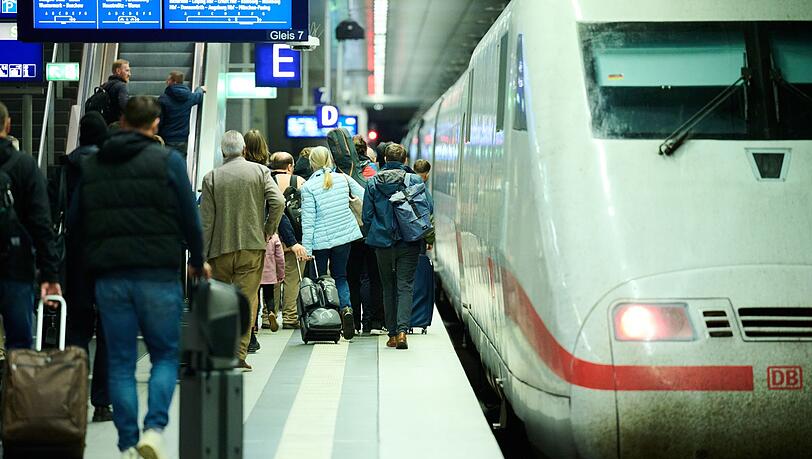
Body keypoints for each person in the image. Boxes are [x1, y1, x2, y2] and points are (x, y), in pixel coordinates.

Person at [73, 96, 208, 459]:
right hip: (158, 274)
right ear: (155, 124)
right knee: (164, 355)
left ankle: (128, 443)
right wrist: (197, 260)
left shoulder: (93, 164)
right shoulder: (168, 161)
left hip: (111, 277)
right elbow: (190, 218)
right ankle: (154, 429)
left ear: (122, 122)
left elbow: (76, 222)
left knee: (119, 363)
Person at [200, 130, 284, 371]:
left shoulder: (211, 177)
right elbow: (278, 202)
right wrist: (268, 229)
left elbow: (206, 221)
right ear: (244, 150)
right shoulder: (260, 172)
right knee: (246, 300)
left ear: (222, 152)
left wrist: (201, 255)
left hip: (219, 249)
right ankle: (239, 354)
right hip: (252, 247)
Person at [0, 101, 62, 353]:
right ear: (8, 125)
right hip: (15, 265)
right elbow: (41, 222)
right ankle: (16, 378)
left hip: (17, 266)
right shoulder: (24, 166)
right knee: (19, 346)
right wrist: (50, 274)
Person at [64, 111, 113, 423]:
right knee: (107, 330)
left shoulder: (67, 165)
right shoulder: (109, 165)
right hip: (107, 258)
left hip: (76, 257)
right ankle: (102, 403)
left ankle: (75, 397)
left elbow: (64, 214)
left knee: (77, 329)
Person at [362, 143, 431, 350]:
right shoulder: (414, 180)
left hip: (382, 243)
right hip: (409, 241)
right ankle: (402, 332)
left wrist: (378, 232)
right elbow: (428, 208)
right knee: (405, 286)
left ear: (384, 159)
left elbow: (366, 216)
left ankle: (392, 335)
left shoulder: (373, 182)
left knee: (387, 286)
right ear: (405, 161)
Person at [300, 146, 365, 340]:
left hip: (320, 241)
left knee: (319, 280)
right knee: (341, 276)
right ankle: (346, 309)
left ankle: (325, 318)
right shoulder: (343, 179)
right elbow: (364, 195)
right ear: (330, 160)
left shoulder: (308, 187)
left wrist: (307, 249)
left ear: (312, 163)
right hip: (344, 237)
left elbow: (308, 221)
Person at [347, 135, 384, 335]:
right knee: (373, 277)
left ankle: (354, 322)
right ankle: (373, 322)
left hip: (349, 232)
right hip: (373, 232)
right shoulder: (375, 171)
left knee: (352, 278)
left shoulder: (344, 172)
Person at [267, 151, 308, 329]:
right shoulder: (300, 181)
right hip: (295, 238)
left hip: (271, 236)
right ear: (290, 166)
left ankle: (268, 314)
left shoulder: (267, 181)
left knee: (272, 277)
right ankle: (290, 316)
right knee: (292, 278)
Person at [157, 71, 205, 159]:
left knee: (166, 162)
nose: (166, 82)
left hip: (167, 138)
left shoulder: (163, 99)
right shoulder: (189, 97)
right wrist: (200, 89)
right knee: (180, 162)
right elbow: (199, 96)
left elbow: (160, 120)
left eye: (168, 80)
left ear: (174, 82)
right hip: (182, 138)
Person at [259, 233, 285, 334]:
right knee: (269, 295)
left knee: (254, 297)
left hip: (255, 272)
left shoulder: (254, 233)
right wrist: (281, 273)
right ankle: (271, 312)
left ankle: (254, 325)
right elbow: (280, 257)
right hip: (269, 272)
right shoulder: (273, 236)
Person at [101, 59, 131, 125]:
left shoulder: (104, 85)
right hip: (116, 125)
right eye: (127, 70)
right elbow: (125, 107)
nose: (129, 74)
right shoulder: (121, 86)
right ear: (118, 71)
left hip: (105, 124)